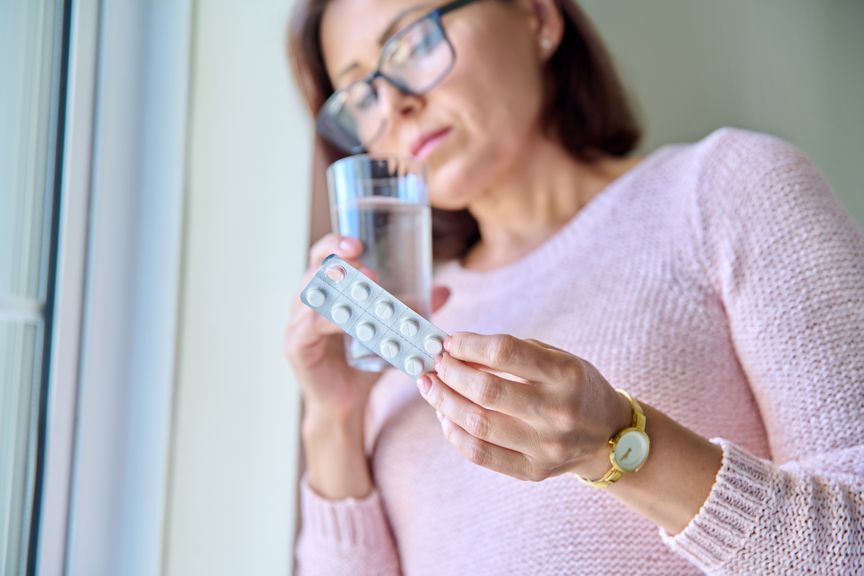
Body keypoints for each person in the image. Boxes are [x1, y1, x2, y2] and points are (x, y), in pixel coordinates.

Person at [283, 0, 864, 573]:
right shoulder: (400, 325)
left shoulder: (726, 191)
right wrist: (332, 418)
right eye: (361, 94)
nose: (395, 105)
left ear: (538, 17)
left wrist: (620, 445)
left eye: (412, 42)